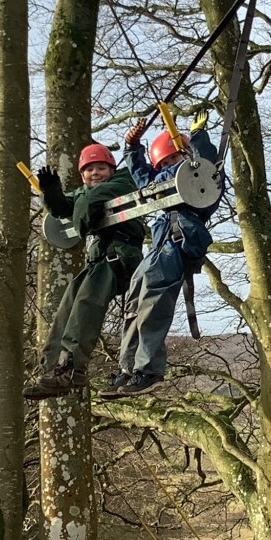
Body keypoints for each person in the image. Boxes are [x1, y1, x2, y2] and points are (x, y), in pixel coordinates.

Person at [103, 110, 223, 397]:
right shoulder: (158, 183)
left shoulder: (197, 176)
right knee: (134, 300)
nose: (170, 167)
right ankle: (128, 367)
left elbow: (206, 164)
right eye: (165, 163)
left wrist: (198, 136)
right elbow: (142, 176)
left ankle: (149, 369)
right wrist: (132, 147)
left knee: (153, 303)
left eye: (174, 160)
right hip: (160, 247)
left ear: (185, 156)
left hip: (178, 243)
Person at [23, 143, 145, 400]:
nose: (95, 173)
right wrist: (51, 192)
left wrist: (81, 220)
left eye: (101, 168)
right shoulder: (84, 193)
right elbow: (63, 207)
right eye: (89, 170)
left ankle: (70, 367)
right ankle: (54, 367)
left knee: (87, 303)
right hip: (99, 260)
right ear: (82, 175)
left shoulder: (122, 182)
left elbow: (90, 201)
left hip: (120, 255)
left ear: (112, 170)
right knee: (69, 304)